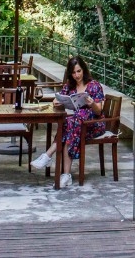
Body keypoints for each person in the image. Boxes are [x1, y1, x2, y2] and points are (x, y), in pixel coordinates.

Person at [32, 56, 105, 186]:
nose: (76, 75)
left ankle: (48, 155)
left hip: (93, 125)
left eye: (79, 71)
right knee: (70, 124)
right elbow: (58, 99)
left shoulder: (94, 86)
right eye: (73, 72)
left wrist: (92, 103)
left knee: (75, 120)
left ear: (84, 70)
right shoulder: (69, 86)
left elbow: (99, 111)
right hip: (77, 126)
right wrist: (58, 101)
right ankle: (65, 175)